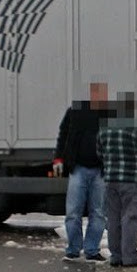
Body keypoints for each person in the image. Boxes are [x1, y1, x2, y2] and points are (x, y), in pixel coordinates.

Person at [98, 91, 137, 267]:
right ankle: (130, 257)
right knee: (131, 218)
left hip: (111, 180)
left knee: (114, 218)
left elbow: (100, 152)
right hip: (132, 180)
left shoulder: (105, 129)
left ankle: (116, 256)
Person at [53, 81, 110, 261]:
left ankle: (91, 250)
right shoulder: (75, 112)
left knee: (98, 213)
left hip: (100, 171)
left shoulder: (109, 115)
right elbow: (63, 135)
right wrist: (58, 158)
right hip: (78, 168)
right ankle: (73, 249)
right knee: (74, 213)